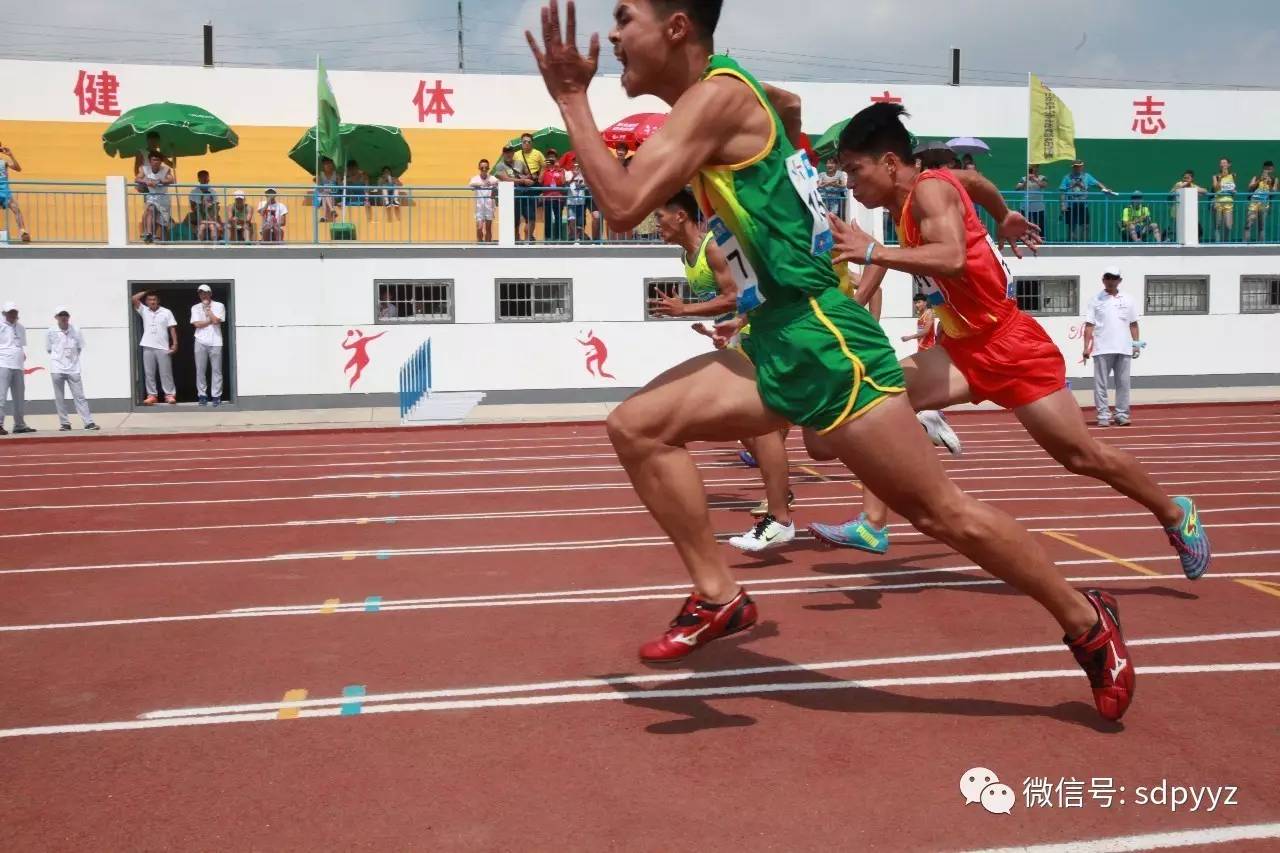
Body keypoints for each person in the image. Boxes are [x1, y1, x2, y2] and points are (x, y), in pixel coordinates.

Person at [528, 0, 1137, 720]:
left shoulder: (716, 98)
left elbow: (624, 202)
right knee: (637, 427)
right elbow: (785, 105)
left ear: (676, 26)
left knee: (942, 515)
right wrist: (785, 135)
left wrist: (571, 98)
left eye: (625, 17)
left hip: (825, 340)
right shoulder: (729, 93)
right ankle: (719, 594)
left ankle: (1087, 622)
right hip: (775, 335)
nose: (615, 36)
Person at [824, 102, 1209, 592]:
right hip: (962, 350)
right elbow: (977, 182)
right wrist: (1004, 215)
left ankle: (1176, 513)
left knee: (1080, 456)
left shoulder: (930, 189)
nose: (850, 185)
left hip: (1012, 346)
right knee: (875, 400)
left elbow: (949, 257)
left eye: (855, 171)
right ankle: (873, 522)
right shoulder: (929, 189)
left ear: (890, 163)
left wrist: (873, 251)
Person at [650, 189, 796, 550]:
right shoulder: (688, 254)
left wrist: (686, 311)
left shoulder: (713, 246)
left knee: (757, 425)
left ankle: (780, 512)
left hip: (760, 335)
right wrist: (718, 328)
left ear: (681, 215)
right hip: (739, 335)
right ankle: (779, 499)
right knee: (754, 427)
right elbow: (730, 303)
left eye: (660, 216)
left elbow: (734, 295)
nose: (656, 224)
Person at [1082, 268, 1140, 427]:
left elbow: (1133, 324)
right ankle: (1103, 415)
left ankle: (1121, 414)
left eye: (1114, 278)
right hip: (1102, 348)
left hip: (1124, 348)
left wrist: (1136, 345)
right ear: (1103, 279)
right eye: (1108, 277)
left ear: (1119, 280)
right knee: (1100, 384)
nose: (1111, 281)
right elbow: (1089, 325)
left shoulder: (1128, 299)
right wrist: (1086, 347)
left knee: (1123, 384)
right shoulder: (1095, 300)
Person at [45, 307, 98, 431]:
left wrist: (72, 360)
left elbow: (80, 347)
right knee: (59, 397)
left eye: (66, 315)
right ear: (56, 317)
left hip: (73, 369)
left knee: (79, 396)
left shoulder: (76, 330)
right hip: (57, 368)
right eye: (61, 315)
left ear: (68, 317)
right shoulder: (50, 331)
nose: (64, 318)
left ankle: (88, 422)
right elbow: (48, 349)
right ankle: (65, 423)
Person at [131, 290, 178, 405]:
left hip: (163, 346)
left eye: (154, 300)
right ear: (146, 301)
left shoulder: (166, 312)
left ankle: (169, 395)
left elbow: (172, 328)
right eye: (150, 300)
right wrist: (147, 291)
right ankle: (152, 395)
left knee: (166, 372)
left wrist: (175, 343)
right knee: (149, 373)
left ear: (158, 301)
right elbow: (133, 299)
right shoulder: (144, 310)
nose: (152, 302)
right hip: (147, 345)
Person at [1058, 159, 1115, 242]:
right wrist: (1063, 205)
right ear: (1072, 167)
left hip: (1083, 205)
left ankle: (1084, 245)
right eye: (1075, 167)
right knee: (1071, 227)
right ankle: (1070, 245)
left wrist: (1106, 189)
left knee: (1085, 226)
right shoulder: (1067, 178)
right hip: (1071, 206)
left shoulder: (1087, 176)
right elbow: (1062, 191)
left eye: (1078, 166)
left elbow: (1097, 184)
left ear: (1082, 167)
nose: (1077, 168)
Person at [0, 302, 35, 434]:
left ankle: (19, 425)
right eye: (10, 312)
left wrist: (21, 354)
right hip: (3, 364)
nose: (13, 314)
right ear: (4, 313)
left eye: (14, 312)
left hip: (18, 366)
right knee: (1, 396)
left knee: (19, 397)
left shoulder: (21, 327)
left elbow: (20, 345)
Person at [190, 284, 226, 406]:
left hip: (216, 341)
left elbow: (217, 321)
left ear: (210, 293)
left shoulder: (219, 305)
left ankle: (216, 396)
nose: (203, 295)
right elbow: (197, 324)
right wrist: (211, 320)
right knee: (200, 370)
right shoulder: (195, 307)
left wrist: (208, 310)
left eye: (205, 292)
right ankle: (202, 395)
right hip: (200, 341)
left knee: (216, 370)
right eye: (201, 293)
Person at [136, 150, 175, 243]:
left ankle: (158, 237)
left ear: (161, 161)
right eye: (153, 160)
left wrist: (159, 182)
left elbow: (171, 180)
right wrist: (146, 181)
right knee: (150, 209)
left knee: (162, 219)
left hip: (163, 197)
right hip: (152, 196)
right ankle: (149, 233)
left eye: (158, 160)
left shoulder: (166, 169)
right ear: (150, 161)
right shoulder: (144, 169)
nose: (155, 162)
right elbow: (137, 178)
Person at [513, 133, 546, 241]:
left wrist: (540, 178)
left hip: (533, 187)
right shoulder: (517, 154)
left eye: (529, 142)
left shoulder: (538, 153)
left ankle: (528, 237)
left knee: (531, 214)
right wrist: (523, 178)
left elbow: (544, 166)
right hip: (520, 186)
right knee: (517, 213)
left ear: (532, 143)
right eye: (524, 142)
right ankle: (516, 237)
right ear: (521, 143)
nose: (526, 143)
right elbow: (515, 170)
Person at [0, 142, 31, 242]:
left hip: (5, 191)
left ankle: (23, 232)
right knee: (16, 209)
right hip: (5, 191)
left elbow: (18, 169)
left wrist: (11, 155)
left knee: (16, 209)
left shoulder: (3, 162)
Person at [469, 158, 500, 242]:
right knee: (479, 228)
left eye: (486, 168)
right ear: (479, 168)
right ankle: (480, 244)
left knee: (488, 228)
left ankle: (488, 246)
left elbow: (498, 183)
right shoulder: (475, 178)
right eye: (482, 168)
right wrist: (482, 184)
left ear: (488, 168)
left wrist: (493, 184)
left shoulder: (492, 178)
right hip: (479, 207)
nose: (484, 169)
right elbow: (470, 185)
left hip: (489, 206)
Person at [540, 149, 568, 241]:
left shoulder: (560, 170)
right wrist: (543, 169)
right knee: (547, 218)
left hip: (558, 197)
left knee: (558, 217)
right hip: (547, 197)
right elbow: (540, 181)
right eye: (549, 156)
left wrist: (558, 169)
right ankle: (548, 237)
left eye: (553, 156)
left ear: (556, 158)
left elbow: (563, 182)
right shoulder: (545, 169)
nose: (551, 158)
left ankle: (558, 237)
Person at [1245, 160, 1275, 243]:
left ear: (1272, 170)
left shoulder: (1274, 179)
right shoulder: (1256, 177)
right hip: (1254, 202)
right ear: (1263, 169)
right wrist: (1259, 180)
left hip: (1264, 203)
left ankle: (1261, 245)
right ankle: (1245, 244)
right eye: (1266, 169)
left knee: (1261, 226)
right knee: (1249, 224)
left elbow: (1274, 192)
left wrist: (1269, 183)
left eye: (1270, 169)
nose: (1268, 171)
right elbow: (1250, 187)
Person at [1015, 165, 1048, 236]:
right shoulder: (1024, 178)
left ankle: (1041, 240)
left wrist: (1035, 179)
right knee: (1024, 226)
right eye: (1032, 167)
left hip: (1038, 208)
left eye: (1036, 167)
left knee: (1040, 227)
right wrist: (1026, 181)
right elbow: (1017, 188)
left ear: (1038, 168)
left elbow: (1044, 185)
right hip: (1025, 207)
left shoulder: (1042, 177)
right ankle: (1023, 241)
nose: (1034, 169)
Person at [189, 170, 222, 241]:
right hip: (200, 216)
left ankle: (214, 246)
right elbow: (193, 207)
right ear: (199, 179)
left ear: (208, 178)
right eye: (202, 177)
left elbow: (217, 207)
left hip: (211, 216)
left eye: (206, 177)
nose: (204, 179)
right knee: (202, 227)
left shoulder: (213, 191)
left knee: (212, 227)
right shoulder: (194, 192)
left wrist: (211, 216)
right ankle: (200, 246)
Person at [1212, 157, 1237, 242]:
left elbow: (1232, 187)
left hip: (1229, 202)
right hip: (1218, 202)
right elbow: (1215, 188)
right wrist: (1221, 178)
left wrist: (1234, 191)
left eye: (1224, 163)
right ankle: (1217, 244)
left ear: (1229, 165)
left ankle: (1226, 242)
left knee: (1228, 225)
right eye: (1221, 163)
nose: (1222, 164)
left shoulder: (1233, 175)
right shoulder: (1215, 176)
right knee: (1217, 224)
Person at [315, 157, 340, 223]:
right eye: (326, 164)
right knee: (325, 194)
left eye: (329, 163)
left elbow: (340, 187)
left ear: (332, 164)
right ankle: (331, 210)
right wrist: (317, 181)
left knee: (325, 194)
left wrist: (339, 181)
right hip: (325, 195)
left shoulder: (336, 175)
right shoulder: (320, 175)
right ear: (323, 165)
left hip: (335, 195)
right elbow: (319, 189)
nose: (328, 165)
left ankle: (325, 216)